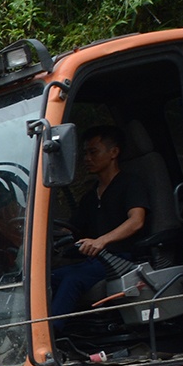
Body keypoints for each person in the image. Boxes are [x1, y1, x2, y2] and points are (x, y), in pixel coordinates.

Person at [50, 126, 150, 323]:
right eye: (85, 153)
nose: (87, 158)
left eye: (93, 152)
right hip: (94, 262)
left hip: (122, 259)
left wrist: (101, 241)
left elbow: (137, 220)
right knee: (46, 279)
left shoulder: (130, 183)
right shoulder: (90, 195)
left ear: (114, 152)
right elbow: (69, 228)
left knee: (73, 280)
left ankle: (50, 336)